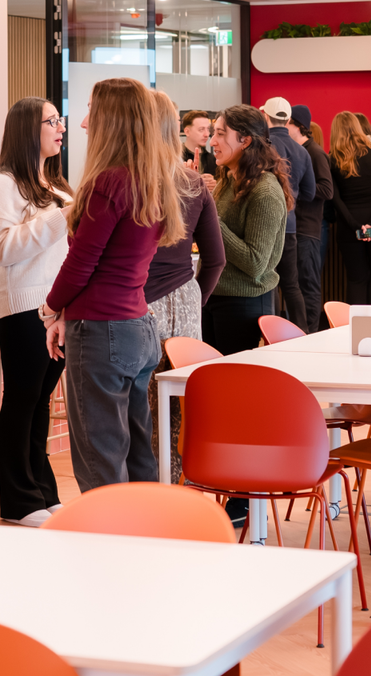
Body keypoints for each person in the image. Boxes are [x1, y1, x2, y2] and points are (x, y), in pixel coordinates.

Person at [43, 78, 184, 494]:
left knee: (100, 457)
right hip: (137, 326)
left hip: (102, 332)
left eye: (91, 112)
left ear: (112, 121)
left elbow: (82, 263)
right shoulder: (152, 180)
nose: (83, 123)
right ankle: (142, 544)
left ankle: (107, 548)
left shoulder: (109, 182)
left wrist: (51, 308)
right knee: (138, 451)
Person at [0, 97, 73, 527]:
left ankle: (41, 490)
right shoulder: (6, 183)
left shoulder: (54, 184)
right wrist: (60, 219)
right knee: (22, 400)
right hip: (22, 306)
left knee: (39, 402)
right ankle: (19, 500)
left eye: (60, 119)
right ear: (26, 130)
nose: (60, 127)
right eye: (51, 121)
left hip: (54, 308)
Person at [146, 91, 225, 484]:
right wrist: (196, 296)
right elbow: (216, 258)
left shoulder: (134, 181)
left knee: (145, 404)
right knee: (181, 402)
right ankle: (183, 481)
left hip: (143, 301)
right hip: (185, 298)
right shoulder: (193, 182)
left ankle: (150, 486)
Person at [205, 104, 293, 355]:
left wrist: (209, 220)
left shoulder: (264, 191)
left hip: (245, 303)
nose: (212, 141)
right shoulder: (228, 180)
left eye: (221, 134)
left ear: (245, 141)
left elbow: (255, 263)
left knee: (235, 388)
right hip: (216, 296)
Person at [261, 97, 315, 333]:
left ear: (265, 115)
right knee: (292, 285)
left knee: (267, 283)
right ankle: (301, 332)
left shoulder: (261, 146)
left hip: (264, 225)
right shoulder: (301, 151)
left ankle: (269, 332)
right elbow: (311, 193)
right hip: (290, 226)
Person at [330, 111, 371, 306]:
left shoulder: (333, 160)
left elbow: (335, 198)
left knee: (357, 280)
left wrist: (356, 225)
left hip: (349, 228)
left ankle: (358, 330)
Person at [287, 104, 334, 332]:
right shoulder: (296, 151)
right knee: (293, 286)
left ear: (298, 126)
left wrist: (298, 187)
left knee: (308, 286)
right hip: (295, 229)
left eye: (286, 123)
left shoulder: (315, 153)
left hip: (307, 230)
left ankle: (311, 334)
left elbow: (327, 190)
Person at [180, 109, 219, 186]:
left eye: (208, 129)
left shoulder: (213, 160)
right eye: (201, 129)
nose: (206, 134)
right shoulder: (176, 158)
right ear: (187, 132)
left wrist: (216, 185)